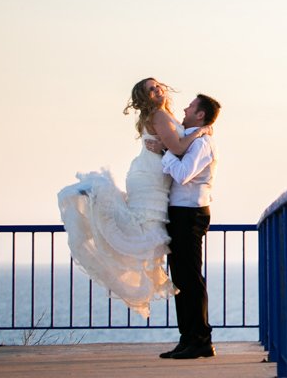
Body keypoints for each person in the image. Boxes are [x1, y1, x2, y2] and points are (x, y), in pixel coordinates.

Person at [57, 78, 211, 318]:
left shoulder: (163, 114)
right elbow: (179, 149)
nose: (157, 89)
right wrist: (199, 132)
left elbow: (173, 144)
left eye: (157, 85)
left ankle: (95, 201)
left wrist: (180, 138)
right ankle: (95, 199)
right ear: (145, 98)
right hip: (150, 178)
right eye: (151, 89)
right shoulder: (159, 115)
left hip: (149, 175)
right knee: (142, 228)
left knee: (144, 230)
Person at [156, 92, 221, 360]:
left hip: (190, 213)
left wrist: (165, 153)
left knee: (191, 279)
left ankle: (201, 340)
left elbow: (183, 175)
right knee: (181, 278)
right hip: (180, 213)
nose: (185, 108)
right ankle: (187, 338)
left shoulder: (202, 143)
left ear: (201, 114)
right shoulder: (190, 139)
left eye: (191, 106)